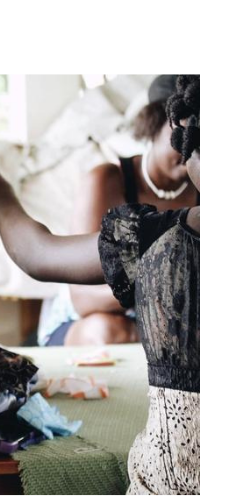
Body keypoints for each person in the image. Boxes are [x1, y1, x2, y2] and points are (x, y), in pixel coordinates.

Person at [0, 74, 200, 496]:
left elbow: (39, 253)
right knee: (105, 329)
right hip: (99, 325)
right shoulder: (114, 182)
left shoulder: (172, 235)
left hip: (172, 479)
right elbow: (83, 299)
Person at [39, 74, 198, 346]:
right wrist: (162, 290)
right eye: (182, 136)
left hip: (173, 325)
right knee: (106, 331)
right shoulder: (106, 180)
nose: (189, 150)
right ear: (154, 123)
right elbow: (83, 298)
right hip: (91, 322)